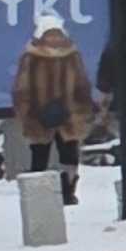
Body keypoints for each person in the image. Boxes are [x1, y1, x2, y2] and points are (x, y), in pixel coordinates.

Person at [12, 12, 97, 207]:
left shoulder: (72, 56)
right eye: (49, 35)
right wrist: (27, 114)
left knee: (69, 156)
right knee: (40, 156)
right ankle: (40, 195)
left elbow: (82, 84)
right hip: (38, 115)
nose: (54, 39)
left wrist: (81, 110)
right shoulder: (31, 57)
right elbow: (21, 89)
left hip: (69, 115)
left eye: (57, 34)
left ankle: (68, 192)